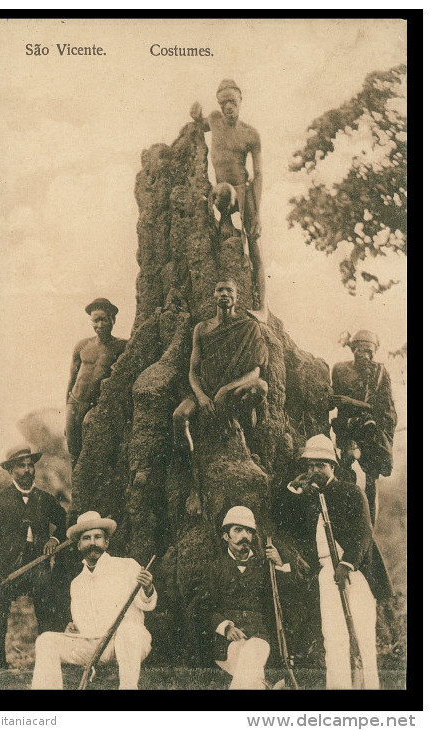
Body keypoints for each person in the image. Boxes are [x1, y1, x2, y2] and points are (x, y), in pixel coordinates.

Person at [274, 434, 392, 689]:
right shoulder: (306, 498)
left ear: (333, 467)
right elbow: (282, 519)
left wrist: (346, 564)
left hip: (355, 571)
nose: (314, 470)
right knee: (333, 638)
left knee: (362, 637)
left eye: (320, 465)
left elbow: (364, 533)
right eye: (310, 465)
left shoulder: (351, 492)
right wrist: (291, 490)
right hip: (327, 573)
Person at [173, 279, 268, 514]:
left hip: (232, 392)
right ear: (213, 296)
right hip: (203, 389)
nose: (224, 294)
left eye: (229, 290)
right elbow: (193, 371)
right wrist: (202, 397)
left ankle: (242, 434)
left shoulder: (248, 326)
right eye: (220, 290)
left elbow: (255, 371)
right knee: (179, 416)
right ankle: (192, 480)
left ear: (237, 297)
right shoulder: (202, 328)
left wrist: (226, 389)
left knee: (260, 387)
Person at [32, 511, 156, 689]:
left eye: (98, 537)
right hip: (94, 646)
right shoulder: (77, 583)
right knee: (46, 640)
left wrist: (148, 587)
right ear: (79, 546)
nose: (92, 543)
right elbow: (83, 623)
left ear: (106, 542)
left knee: (129, 630)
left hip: (127, 642)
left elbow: (147, 601)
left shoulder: (127, 565)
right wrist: (75, 630)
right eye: (86, 538)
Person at [190, 80, 266, 314]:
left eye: (232, 101)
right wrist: (196, 115)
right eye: (223, 103)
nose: (228, 107)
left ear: (240, 101)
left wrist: (256, 213)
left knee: (254, 244)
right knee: (219, 200)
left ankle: (262, 308)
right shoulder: (214, 120)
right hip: (220, 190)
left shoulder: (250, 134)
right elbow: (200, 125)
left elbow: (259, 174)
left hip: (242, 190)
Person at [201, 506, 294, 690]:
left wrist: (279, 564)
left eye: (249, 531)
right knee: (248, 664)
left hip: (259, 638)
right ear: (226, 536)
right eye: (238, 530)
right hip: (227, 643)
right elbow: (203, 607)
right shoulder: (214, 567)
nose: (245, 536)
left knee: (251, 652)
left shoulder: (264, 566)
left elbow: (284, 599)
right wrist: (225, 628)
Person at [0, 447, 67, 669]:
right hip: (7, 569)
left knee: (48, 607)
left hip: (37, 567)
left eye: (29, 465)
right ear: (10, 471)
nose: (27, 470)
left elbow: (64, 522)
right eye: (20, 466)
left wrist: (54, 538)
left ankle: (48, 662)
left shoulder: (45, 499)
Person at [331, 330, 397, 524]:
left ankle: (369, 526)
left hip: (371, 430)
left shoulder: (380, 373)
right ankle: (348, 521)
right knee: (345, 470)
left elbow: (383, 408)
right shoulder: (340, 369)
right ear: (353, 349)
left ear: (374, 352)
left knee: (371, 478)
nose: (364, 355)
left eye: (369, 351)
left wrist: (351, 402)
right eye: (360, 350)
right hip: (347, 428)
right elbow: (333, 397)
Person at [66, 298, 126, 467]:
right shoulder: (82, 345)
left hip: (94, 407)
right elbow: (72, 379)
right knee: (73, 453)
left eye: (103, 319)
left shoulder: (121, 346)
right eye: (95, 320)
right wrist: (67, 409)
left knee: (90, 451)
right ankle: (77, 493)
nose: (99, 325)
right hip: (74, 403)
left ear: (112, 319)